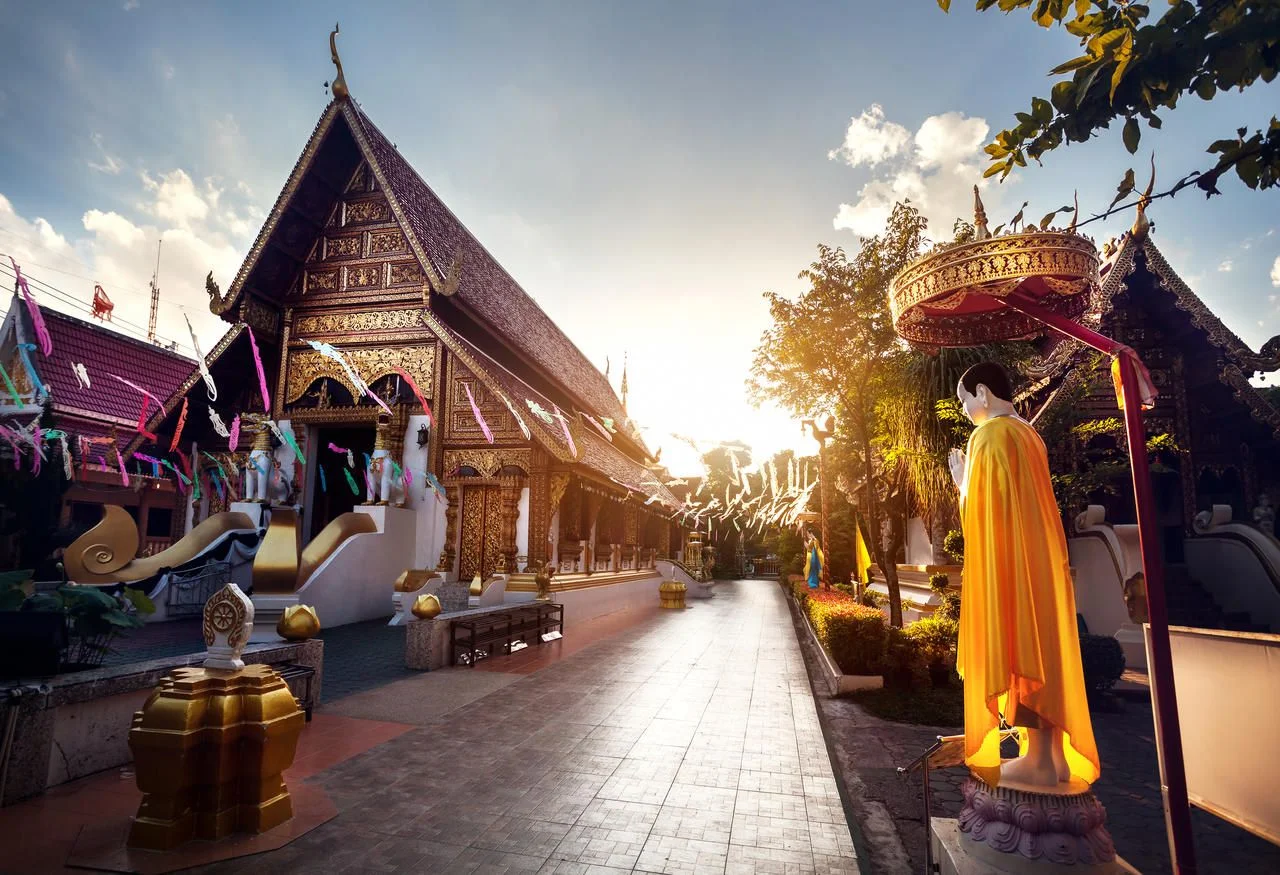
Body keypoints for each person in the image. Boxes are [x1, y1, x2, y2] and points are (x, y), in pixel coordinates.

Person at [948, 361, 1099, 789]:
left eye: (964, 402)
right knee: (1041, 649)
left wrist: (962, 485)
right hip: (1041, 561)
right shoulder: (1030, 435)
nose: (965, 412)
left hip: (1011, 563)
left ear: (981, 393)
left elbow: (984, 513)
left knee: (1017, 647)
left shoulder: (991, 434)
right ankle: (1050, 758)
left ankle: (1039, 760)